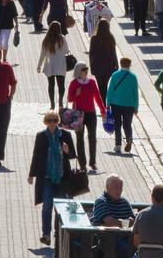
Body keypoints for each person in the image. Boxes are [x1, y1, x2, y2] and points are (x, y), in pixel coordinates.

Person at [28, 110, 76, 246]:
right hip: (47, 177)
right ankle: (46, 234)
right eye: (49, 121)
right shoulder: (41, 136)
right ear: (45, 122)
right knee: (47, 206)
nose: (52, 123)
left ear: (58, 121)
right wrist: (31, 174)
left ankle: (58, 233)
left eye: (54, 120)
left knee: (61, 208)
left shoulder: (65, 135)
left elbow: (73, 155)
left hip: (62, 178)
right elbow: (36, 156)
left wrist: (68, 151)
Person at [67, 62, 106, 171]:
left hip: (91, 113)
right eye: (84, 69)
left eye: (86, 69)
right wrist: (76, 95)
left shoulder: (92, 82)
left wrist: (103, 110)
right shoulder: (74, 83)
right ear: (79, 71)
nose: (86, 71)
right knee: (80, 139)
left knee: (92, 138)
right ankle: (82, 164)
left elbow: (98, 97)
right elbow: (69, 99)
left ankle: (92, 162)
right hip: (78, 114)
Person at [92, 174, 135, 258]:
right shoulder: (101, 201)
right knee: (123, 248)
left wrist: (118, 223)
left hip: (126, 237)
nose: (119, 190)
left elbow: (133, 221)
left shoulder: (124, 201)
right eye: (116, 187)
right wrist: (126, 223)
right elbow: (110, 223)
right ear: (108, 188)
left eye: (121, 187)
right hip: (107, 239)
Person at [106, 57, 139, 154]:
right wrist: (136, 107)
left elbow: (110, 90)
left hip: (116, 104)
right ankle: (129, 139)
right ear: (129, 65)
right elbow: (135, 93)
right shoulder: (133, 77)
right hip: (129, 105)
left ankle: (118, 145)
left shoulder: (115, 75)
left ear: (120, 64)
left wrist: (108, 103)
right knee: (127, 124)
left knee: (117, 124)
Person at [37, 22, 70, 109]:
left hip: (49, 65)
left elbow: (42, 54)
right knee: (61, 85)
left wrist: (39, 65)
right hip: (60, 64)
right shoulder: (62, 38)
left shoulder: (46, 39)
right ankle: (60, 102)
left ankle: (52, 104)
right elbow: (67, 51)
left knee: (51, 85)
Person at [89, 18, 117, 104]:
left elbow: (91, 54)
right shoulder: (110, 38)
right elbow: (113, 53)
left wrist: (91, 67)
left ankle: (103, 104)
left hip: (98, 67)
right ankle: (108, 103)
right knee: (108, 85)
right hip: (109, 66)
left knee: (101, 87)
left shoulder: (94, 38)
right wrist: (116, 65)